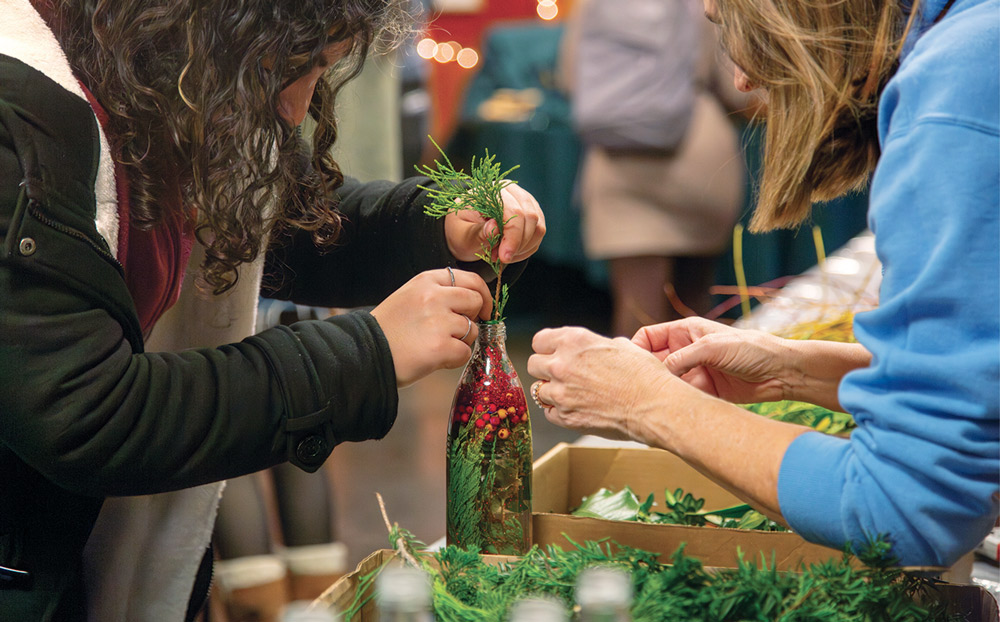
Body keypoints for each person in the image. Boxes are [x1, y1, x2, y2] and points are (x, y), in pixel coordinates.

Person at [0, 1, 545, 620]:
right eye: (294, 66)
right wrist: (366, 352)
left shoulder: (158, 83)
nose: (295, 109)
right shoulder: (19, 114)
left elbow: (280, 225)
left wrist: (435, 226)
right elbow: (84, 413)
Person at [528, 0, 998, 569]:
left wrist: (647, 404)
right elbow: (977, 393)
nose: (742, 79)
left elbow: (902, 511)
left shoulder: (952, 98)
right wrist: (786, 369)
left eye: (736, 28)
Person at [560, 0, 759, 337]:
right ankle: (696, 388)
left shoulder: (591, 4)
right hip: (699, 161)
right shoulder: (705, 4)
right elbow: (737, 88)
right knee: (694, 309)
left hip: (618, 162)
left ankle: (633, 388)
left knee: (637, 314)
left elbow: (568, 77)